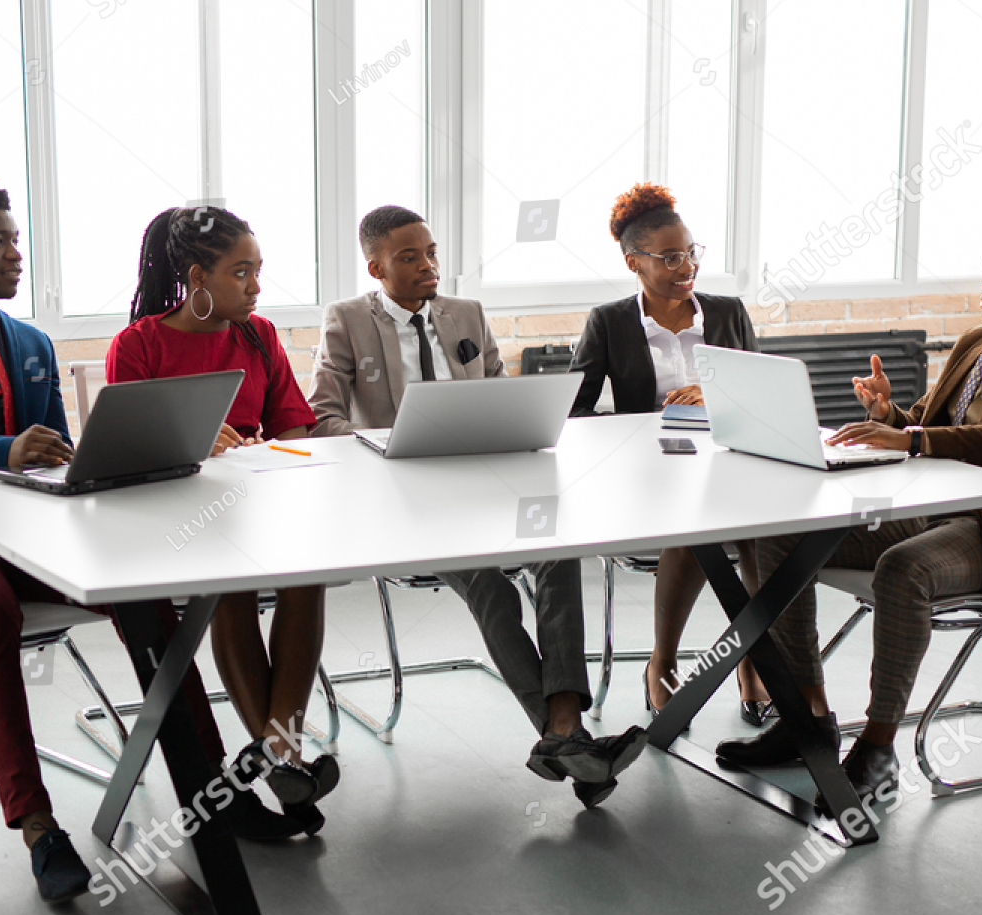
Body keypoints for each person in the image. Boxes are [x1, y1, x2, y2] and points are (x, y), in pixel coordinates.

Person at [0, 181, 293, 905]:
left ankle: (213, 790)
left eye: (16, 239)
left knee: (142, 594)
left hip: (29, 526)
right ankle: (40, 826)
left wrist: (99, 458)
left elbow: (57, 450)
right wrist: (0, 449)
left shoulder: (31, 341)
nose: (15, 253)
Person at [716, 218, 982, 804]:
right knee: (781, 535)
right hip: (930, 507)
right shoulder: (977, 342)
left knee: (904, 569)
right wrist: (894, 417)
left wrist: (914, 440)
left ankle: (877, 750)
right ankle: (808, 719)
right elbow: (930, 426)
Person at [308, 205, 647, 808]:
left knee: (557, 550)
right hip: (405, 500)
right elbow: (322, 417)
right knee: (489, 586)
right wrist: (384, 445)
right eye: (409, 258)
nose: (427, 266)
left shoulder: (465, 313)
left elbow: (498, 391)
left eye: (432, 253)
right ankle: (567, 735)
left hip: (485, 484)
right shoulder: (347, 320)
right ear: (376, 266)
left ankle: (563, 727)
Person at [110, 205, 336, 834]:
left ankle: (277, 747)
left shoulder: (259, 336)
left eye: (259, 271)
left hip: (257, 503)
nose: (256, 286)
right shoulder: (139, 344)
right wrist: (193, 439)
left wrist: (269, 452)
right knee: (230, 589)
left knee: (306, 573)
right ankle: (283, 750)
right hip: (177, 515)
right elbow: (126, 447)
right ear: (198, 277)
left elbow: (295, 426)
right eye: (242, 272)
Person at [570, 183, 771, 728]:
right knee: (697, 523)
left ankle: (756, 658)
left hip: (729, 461)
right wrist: (635, 434)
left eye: (690, 253)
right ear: (633, 261)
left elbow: (761, 390)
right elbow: (573, 413)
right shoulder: (609, 323)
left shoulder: (727, 313)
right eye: (669, 257)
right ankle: (663, 662)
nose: (686, 267)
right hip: (649, 474)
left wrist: (717, 390)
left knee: (766, 531)